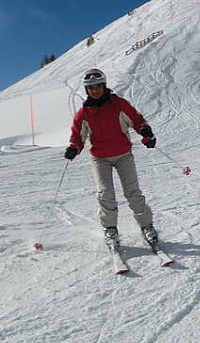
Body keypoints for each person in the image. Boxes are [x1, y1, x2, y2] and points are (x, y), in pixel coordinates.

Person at [64, 68, 158, 250]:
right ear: (87, 90)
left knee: (133, 192)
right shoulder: (84, 113)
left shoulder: (119, 104)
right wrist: (74, 147)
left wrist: (145, 131)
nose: (95, 90)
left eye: (98, 86)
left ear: (104, 85)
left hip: (123, 155)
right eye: (91, 88)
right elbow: (77, 135)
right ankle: (110, 229)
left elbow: (136, 119)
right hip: (100, 158)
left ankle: (146, 226)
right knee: (105, 193)